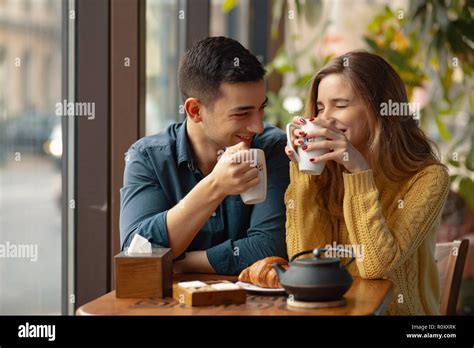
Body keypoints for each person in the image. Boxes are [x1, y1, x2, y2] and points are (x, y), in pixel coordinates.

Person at [285, 51, 449, 315]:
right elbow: (304, 260)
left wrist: (358, 171)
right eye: (320, 108)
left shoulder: (427, 177)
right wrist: (306, 172)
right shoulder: (327, 172)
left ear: (380, 108)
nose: (325, 119)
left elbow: (375, 266)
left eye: (340, 105)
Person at [120, 36, 289, 275]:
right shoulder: (148, 157)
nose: (258, 126)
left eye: (261, 108)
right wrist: (216, 185)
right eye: (242, 114)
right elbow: (137, 254)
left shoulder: (271, 148)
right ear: (195, 110)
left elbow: (269, 249)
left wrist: (183, 262)